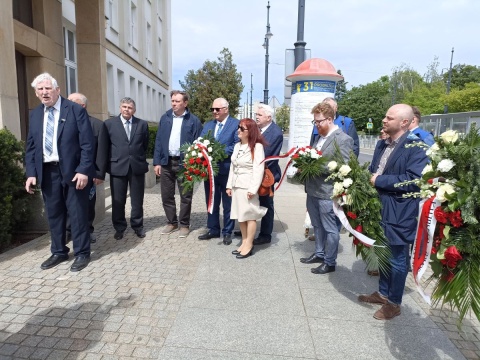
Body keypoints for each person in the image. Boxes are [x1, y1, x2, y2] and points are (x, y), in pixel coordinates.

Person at [358, 104, 428, 320]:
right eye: (385, 116)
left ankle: (394, 303)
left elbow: (415, 180)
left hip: (400, 212)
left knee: (398, 259)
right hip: (379, 208)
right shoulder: (382, 143)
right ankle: (383, 293)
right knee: (383, 254)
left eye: (389, 118)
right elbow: (374, 170)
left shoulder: (417, 147)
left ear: (404, 123)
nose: (384, 120)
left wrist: (379, 180)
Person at [25, 73, 95, 272]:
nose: (45, 92)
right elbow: (31, 146)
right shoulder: (36, 113)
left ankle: (82, 253)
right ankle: (58, 251)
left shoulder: (74, 110)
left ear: (57, 90)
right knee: (54, 214)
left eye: (48, 88)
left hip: (73, 172)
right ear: (36, 93)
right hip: (47, 172)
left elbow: (87, 144)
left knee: (77, 213)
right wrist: (31, 173)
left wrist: (83, 170)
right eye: (40, 89)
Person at [300, 103, 354, 274]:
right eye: (314, 122)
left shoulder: (343, 139)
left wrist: (315, 166)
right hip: (313, 190)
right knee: (316, 225)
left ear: (330, 119)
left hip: (327, 192)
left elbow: (343, 166)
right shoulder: (319, 137)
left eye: (319, 121)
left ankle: (330, 261)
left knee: (331, 229)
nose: (317, 125)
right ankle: (319, 253)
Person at [97, 97, 149, 240]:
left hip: (136, 167)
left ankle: (138, 226)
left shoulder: (142, 124)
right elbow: (103, 148)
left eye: (130, 107)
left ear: (134, 110)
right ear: (120, 108)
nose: (127, 109)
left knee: (137, 200)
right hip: (117, 167)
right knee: (118, 200)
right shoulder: (109, 124)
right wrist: (101, 171)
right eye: (124, 106)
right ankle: (119, 227)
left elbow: (144, 145)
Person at [153, 90, 203, 238]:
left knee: (185, 196)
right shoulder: (165, 118)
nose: (174, 103)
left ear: (185, 103)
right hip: (166, 162)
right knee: (166, 195)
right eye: (172, 101)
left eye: (177, 101)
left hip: (185, 164)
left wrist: (194, 164)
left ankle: (184, 224)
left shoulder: (193, 121)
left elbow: (199, 144)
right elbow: (158, 141)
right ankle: (171, 222)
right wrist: (157, 162)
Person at [233, 104, 283, 244]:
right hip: (252, 173)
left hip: (266, 175)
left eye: (259, 115)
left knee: (267, 204)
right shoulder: (259, 130)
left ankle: (265, 234)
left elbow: (267, 155)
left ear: (269, 117)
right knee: (250, 204)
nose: (257, 117)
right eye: (256, 115)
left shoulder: (275, 132)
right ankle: (248, 231)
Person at [198, 98, 239, 245]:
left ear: (226, 109)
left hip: (227, 170)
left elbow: (236, 145)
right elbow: (201, 142)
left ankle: (227, 231)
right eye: (213, 109)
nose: (214, 112)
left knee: (228, 203)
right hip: (210, 171)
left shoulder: (235, 124)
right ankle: (213, 229)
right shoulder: (208, 125)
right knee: (211, 201)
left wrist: (216, 152)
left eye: (217, 109)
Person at [226, 119, 267, 258]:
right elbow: (233, 166)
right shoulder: (237, 146)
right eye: (238, 128)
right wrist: (229, 185)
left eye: (242, 129)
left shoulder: (257, 147)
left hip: (248, 186)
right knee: (241, 216)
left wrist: (253, 189)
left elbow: (258, 169)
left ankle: (249, 244)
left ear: (250, 132)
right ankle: (244, 242)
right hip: (237, 185)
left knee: (250, 216)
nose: (238, 130)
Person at [66, 93, 104, 244]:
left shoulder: (97, 125)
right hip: (68, 172)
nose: (67, 104)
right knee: (68, 204)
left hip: (89, 174)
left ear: (82, 106)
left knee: (88, 204)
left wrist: (99, 173)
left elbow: (101, 152)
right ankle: (68, 231)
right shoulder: (65, 122)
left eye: (71, 102)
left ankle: (88, 230)